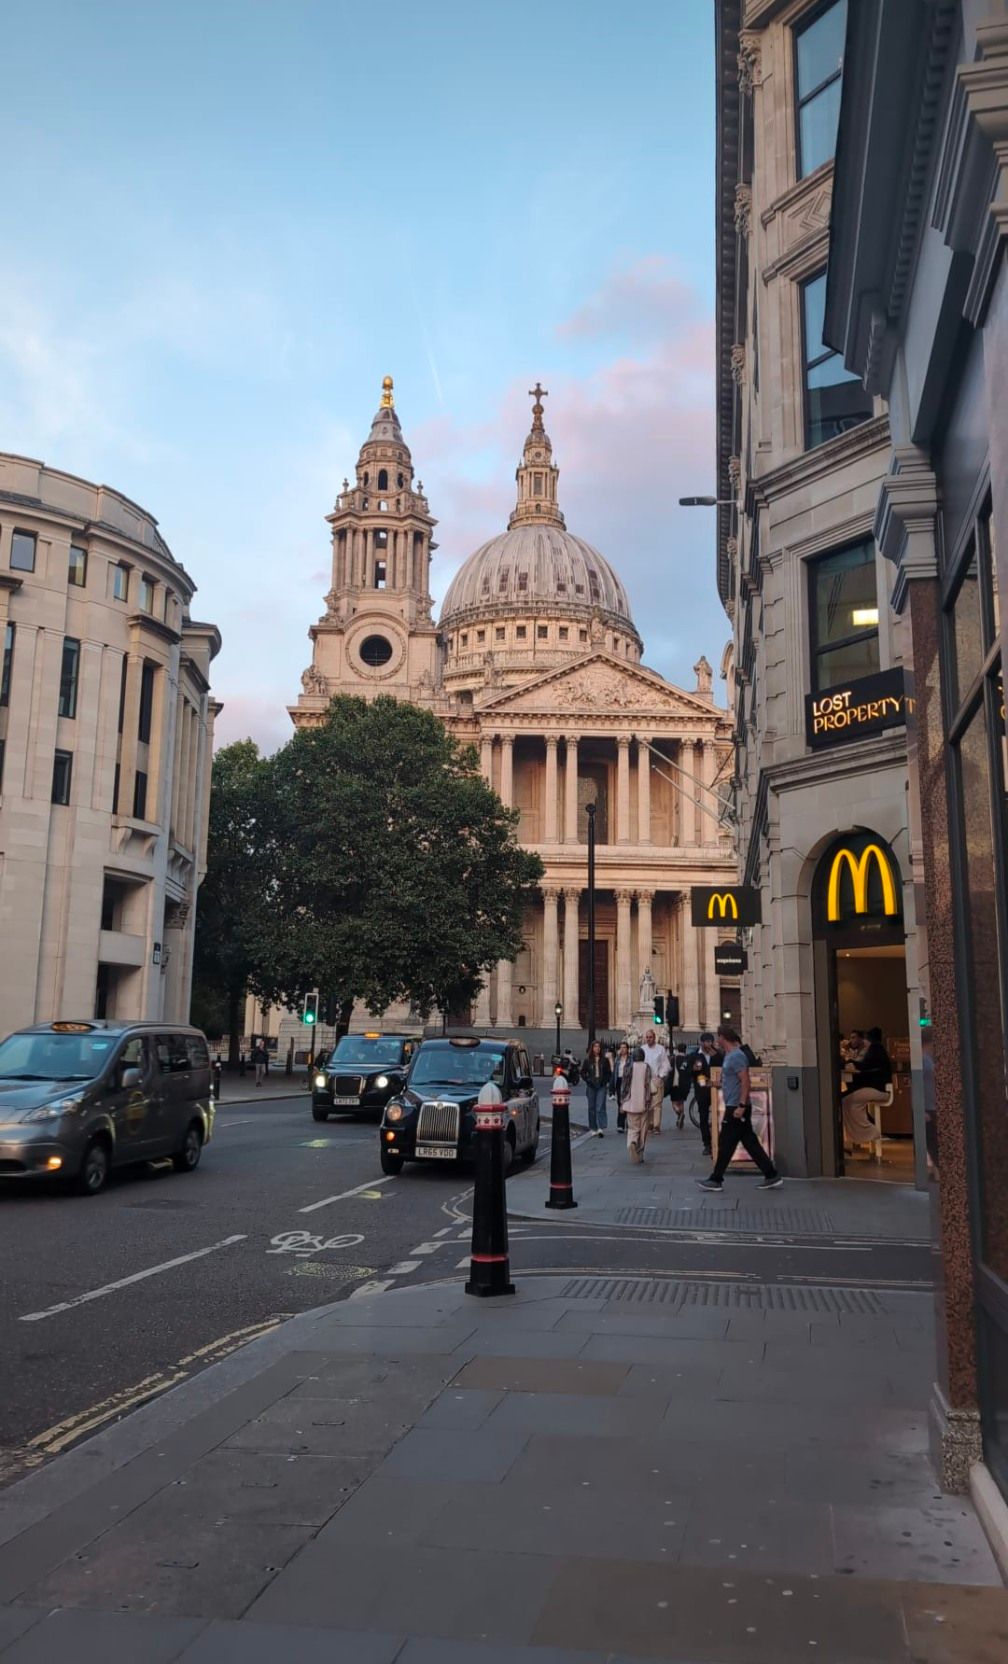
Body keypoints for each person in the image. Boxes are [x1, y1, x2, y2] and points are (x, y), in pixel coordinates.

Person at [699, 1023, 781, 1190]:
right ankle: (771, 1174)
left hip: (736, 1106)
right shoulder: (730, 1055)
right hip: (735, 1105)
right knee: (749, 1142)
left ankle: (716, 1179)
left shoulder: (736, 1056)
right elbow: (732, 1080)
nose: (716, 1040)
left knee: (726, 1143)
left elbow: (745, 1081)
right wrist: (713, 1084)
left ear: (723, 1038)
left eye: (718, 1037)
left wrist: (742, 1105)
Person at [842, 1025, 892, 1150]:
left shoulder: (875, 1050)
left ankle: (871, 1132)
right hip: (879, 1088)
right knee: (847, 1099)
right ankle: (864, 1133)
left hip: (877, 1089)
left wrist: (850, 1063)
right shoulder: (877, 1049)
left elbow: (864, 1066)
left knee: (848, 1100)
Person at [686, 1032, 721, 1158]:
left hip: (716, 1089)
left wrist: (716, 1056)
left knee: (719, 1115)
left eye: (710, 1042)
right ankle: (707, 1143)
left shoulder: (717, 1054)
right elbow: (687, 1070)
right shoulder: (695, 1055)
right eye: (706, 1042)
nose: (709, 1045)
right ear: (701, 1042)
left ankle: (718, 1141)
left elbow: (722, 1067)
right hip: (702, 1091)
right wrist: (694, 1070)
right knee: (704, 1117)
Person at [625, 1045, 652, 1164]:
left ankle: (632, 1142)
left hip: (630, 1103)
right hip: (643, 1103)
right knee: (643, 1128)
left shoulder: (628, 1066)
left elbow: (624, 1086)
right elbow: (648, 1084)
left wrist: (622, 1101)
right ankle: (640, 1151)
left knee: (632, 1127)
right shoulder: (647, 1067)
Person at [641, 1027, 670, 1133]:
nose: (648, 1039)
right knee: (647, 1103)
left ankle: (656, 1126)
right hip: (645, 1080)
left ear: (654, 1038)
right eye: (647, 1037)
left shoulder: (660, 1049)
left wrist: (661, 1076)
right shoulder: (642, 1049)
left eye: (650, 1037)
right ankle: (649, 1124)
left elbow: (665, 1064)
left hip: (656, 1079)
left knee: (657, 1104)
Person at [582, 1039, 611, 1136]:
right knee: (591, 1107)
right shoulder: (587, 1060)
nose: (597, 1048)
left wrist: (605, 1081)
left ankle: (600, 1127)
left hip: (601, 1085)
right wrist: (588, 1080)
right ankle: (593, 1127)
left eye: (598, 1047)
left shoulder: (604, 1060)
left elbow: (608, 1073)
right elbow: (583, 1072)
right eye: (595, 1047)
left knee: (600, 1106)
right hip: (591, 1085)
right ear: (592, 1048)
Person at [665, 1042, 690, 1129]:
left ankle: (679, 1114)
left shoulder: (674, 1059)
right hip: (685, 1084)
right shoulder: (687, 1059)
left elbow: (669, 1070)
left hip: (675, 1084)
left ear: (677, 1049)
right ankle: (681, 1117)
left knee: (674, 1102)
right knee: (681, 1101)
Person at [611, 1040, 632, 1131]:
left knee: (627, 1101)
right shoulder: (617, 1059)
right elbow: (614, 1072)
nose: (622, 1049)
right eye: (621, 1048)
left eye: (624, 1048)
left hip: (627, 1081)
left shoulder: (631, 1059)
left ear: (627, 1049)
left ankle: (628, 1122)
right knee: (620, 1102)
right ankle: (620, 1124)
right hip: (619, 1081)